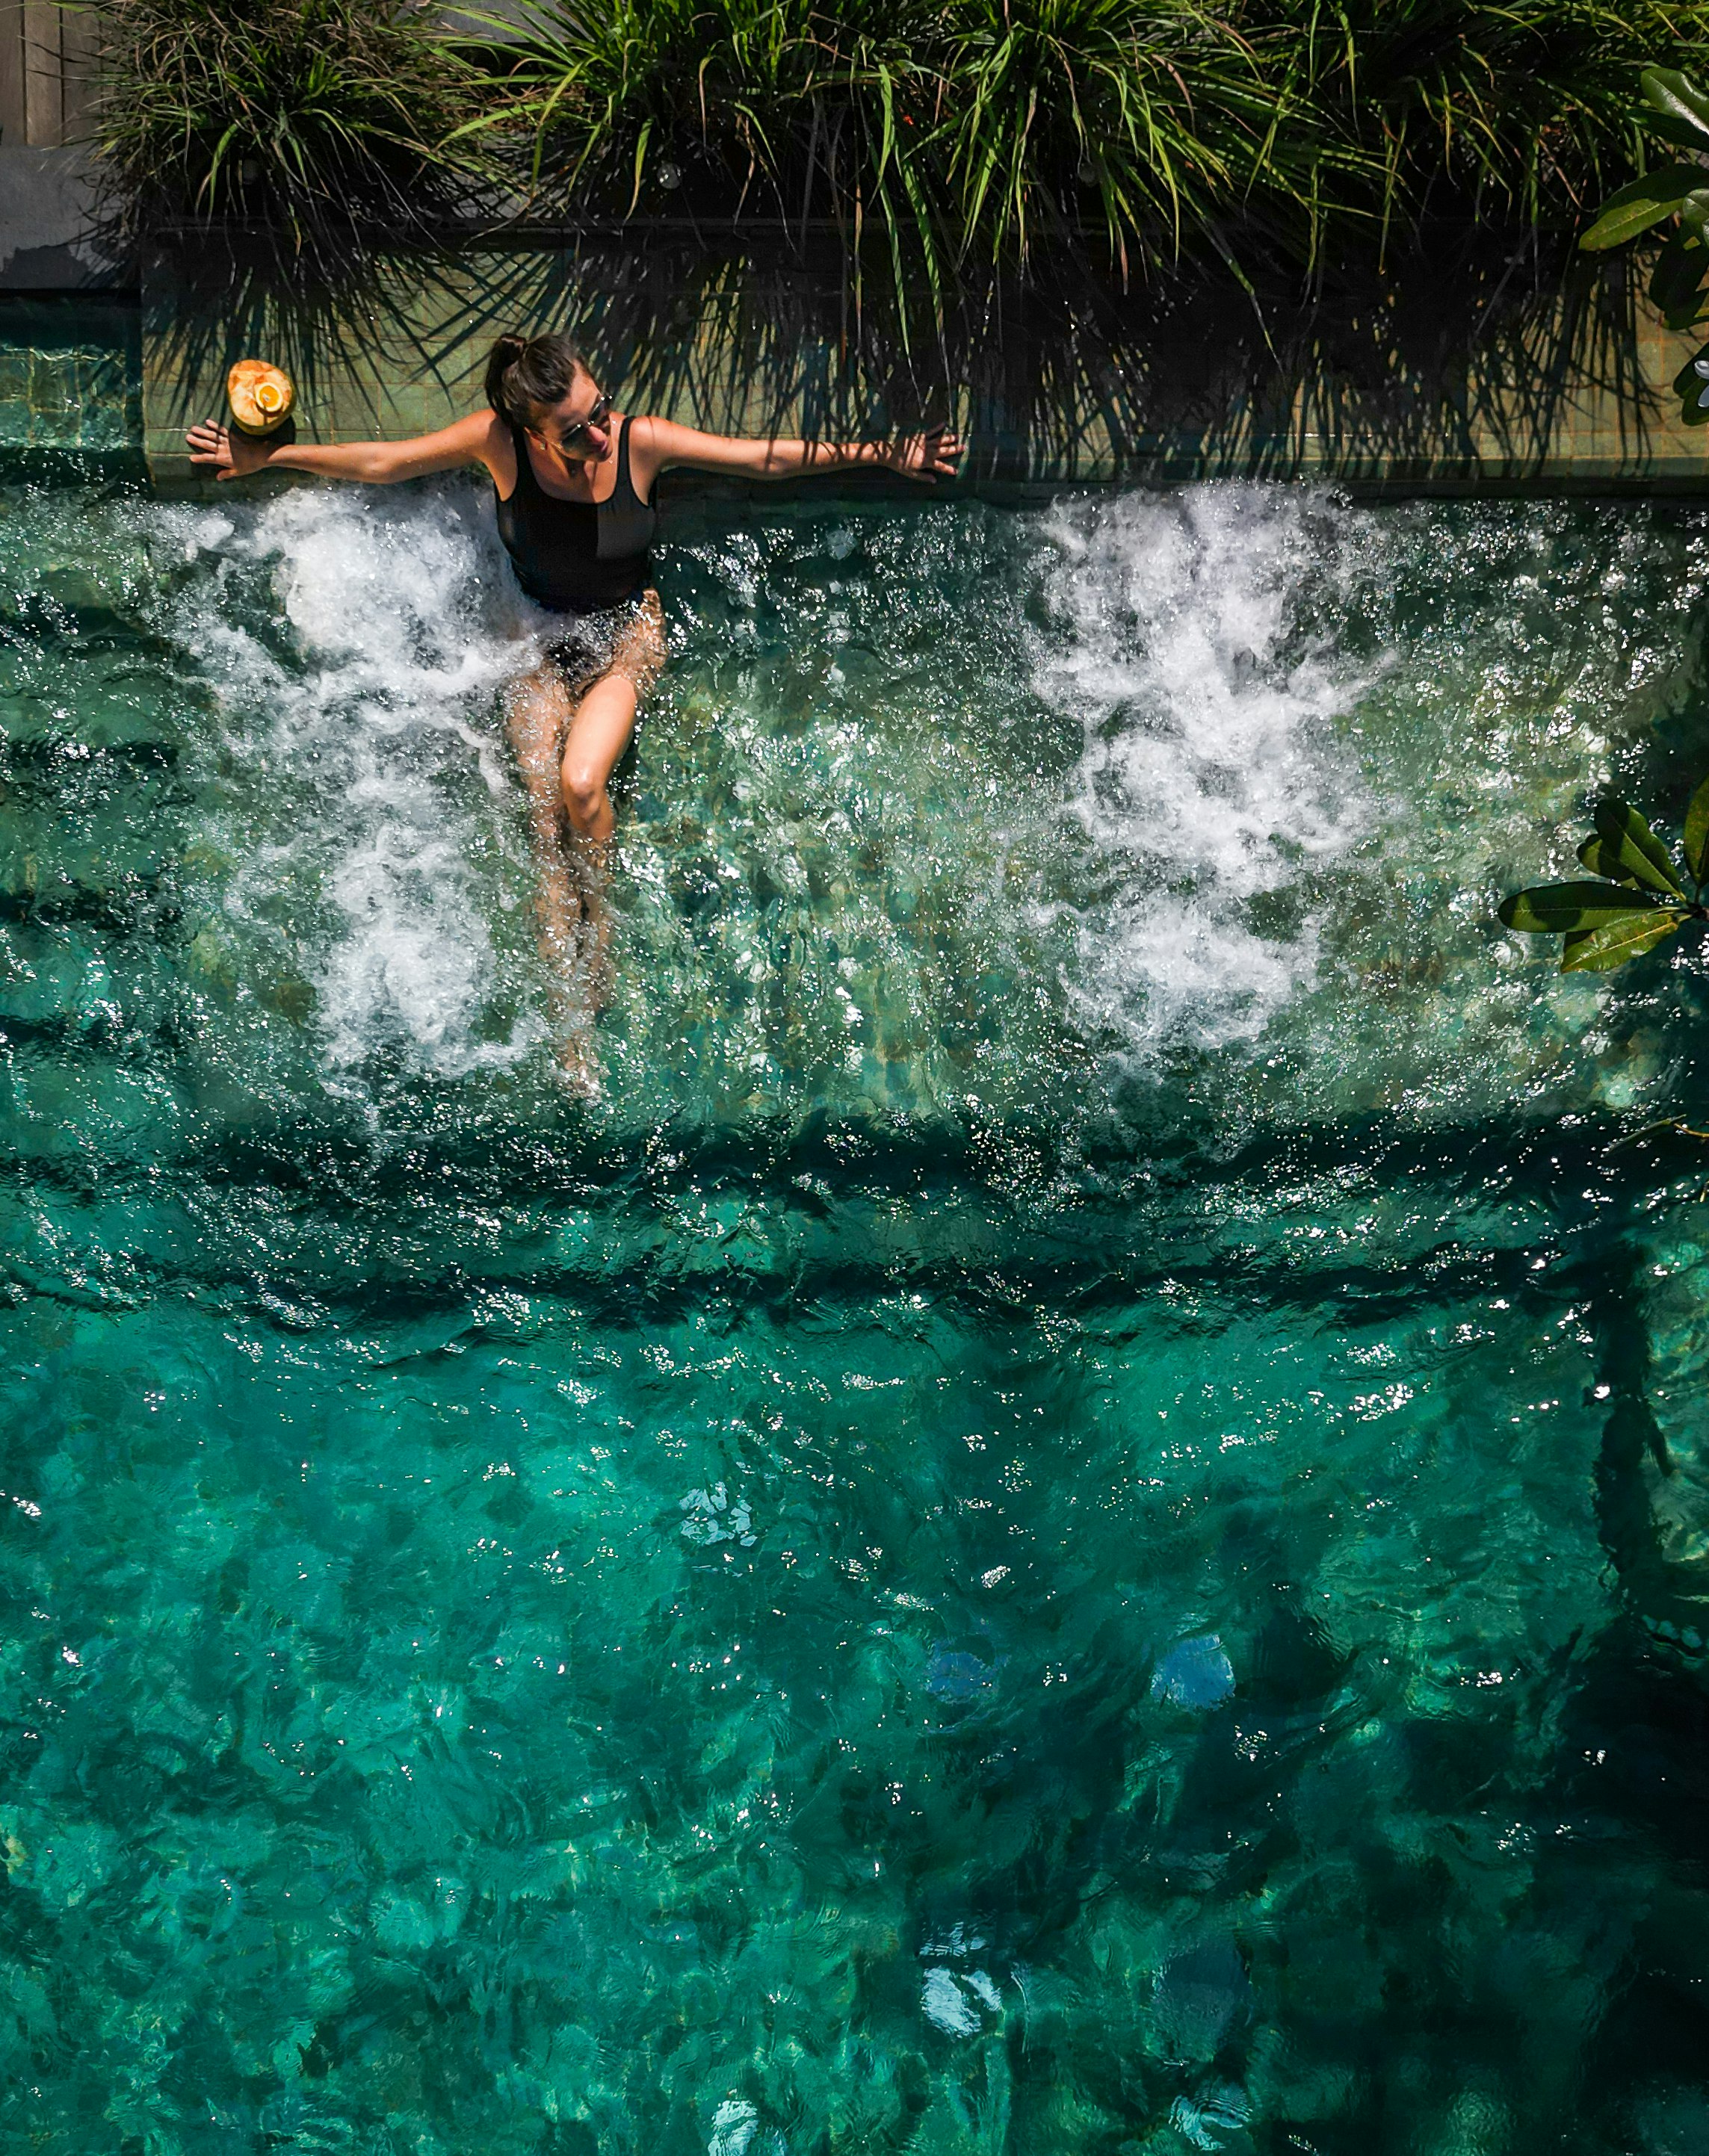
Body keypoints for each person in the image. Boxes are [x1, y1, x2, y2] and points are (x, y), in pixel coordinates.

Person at [186, 330, 962, 1086]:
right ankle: (571, 1022)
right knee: (540, 817)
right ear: (531, 430)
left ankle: (605, 938)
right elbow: (388, 461)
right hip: (534, 635)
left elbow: (764, 458)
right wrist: (266, 456)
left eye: (600, 409)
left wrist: (891, 453)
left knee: (581, 784)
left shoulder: (639, 443)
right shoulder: (501, 443)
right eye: (575, 428)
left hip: (626, 635)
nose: (597, 431)